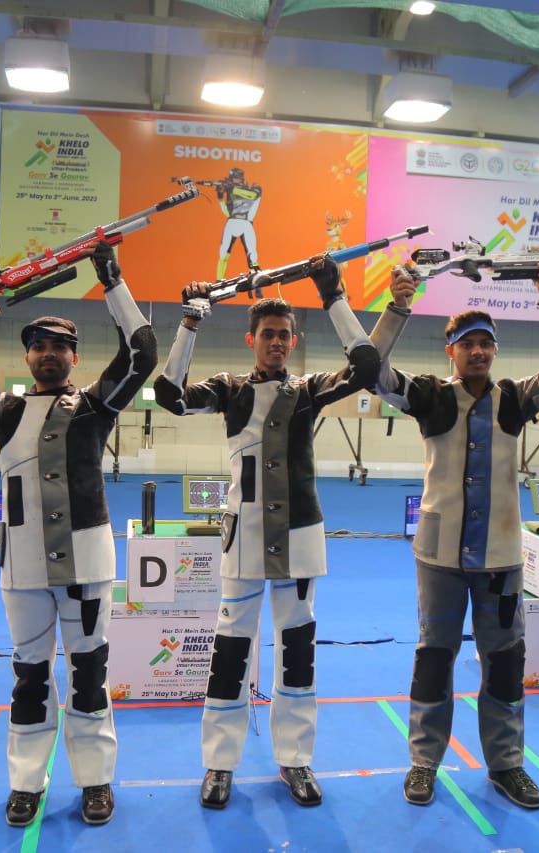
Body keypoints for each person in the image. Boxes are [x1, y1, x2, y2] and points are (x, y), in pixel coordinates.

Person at [0, 244, 157, 828]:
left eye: (59, 346)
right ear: (27, 355)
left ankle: (95, 779)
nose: (48, 353)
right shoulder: (1, 408)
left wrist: (111, 277)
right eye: (39, 345)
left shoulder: (95, 405)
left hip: (87, 567)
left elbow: (141, 353)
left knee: (89, 675)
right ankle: (26, 782)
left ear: (74, 356)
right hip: (21, 570)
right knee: (31, 677)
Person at [153, 259, 378, 809]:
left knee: (297, 653)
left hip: (299, 537)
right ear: (251, 339)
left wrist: (334, 295)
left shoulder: (309, 389)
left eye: (284, 335)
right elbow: (169, 395)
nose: (276, 342)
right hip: (245, 541)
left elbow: (367, 366)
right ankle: (219, 763)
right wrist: (189, 322)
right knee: (230, 654)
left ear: (294, 341)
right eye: (268, 334)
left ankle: (295, 759)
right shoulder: (230, 389)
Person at [369, 262, 539, 810]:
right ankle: (424, 762)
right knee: (434, 659)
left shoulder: (516, 398)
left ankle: (506, 764)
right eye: (468, 343)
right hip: (439, 561)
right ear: (450, 350)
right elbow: (369, 370)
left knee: (506, 662)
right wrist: (398, 306)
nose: (478, 352)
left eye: (486, 344)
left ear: (495, 350)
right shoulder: (429, 396)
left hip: (501, 563)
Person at [215, 167, 262, 281]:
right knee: (224, 253)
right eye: (233, 178)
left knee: (252, 255)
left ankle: (257, 280)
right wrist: (220, 197)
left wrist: (233, 189)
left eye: (237, 178)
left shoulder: (253, 188)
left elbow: (254, 195)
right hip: (232, 222)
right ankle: (218, 280)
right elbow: (227, 213)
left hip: (246, 223)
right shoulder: (231, 191)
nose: (235, 180)